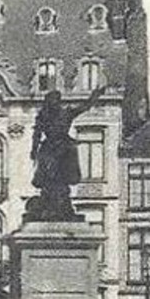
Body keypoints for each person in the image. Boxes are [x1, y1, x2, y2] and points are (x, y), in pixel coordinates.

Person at [28, 85, 107, 221]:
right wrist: (34, 149)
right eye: (51, 101)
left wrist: (94, 97)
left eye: (56, 101)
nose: (54, 104)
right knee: (48, 177)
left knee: (62, 179)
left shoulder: (66, 113)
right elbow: (37, 133)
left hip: (64, 148)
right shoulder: (43, 116)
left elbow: (83, 108)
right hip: (50, 147)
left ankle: (62, 205)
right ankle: (50, 204)